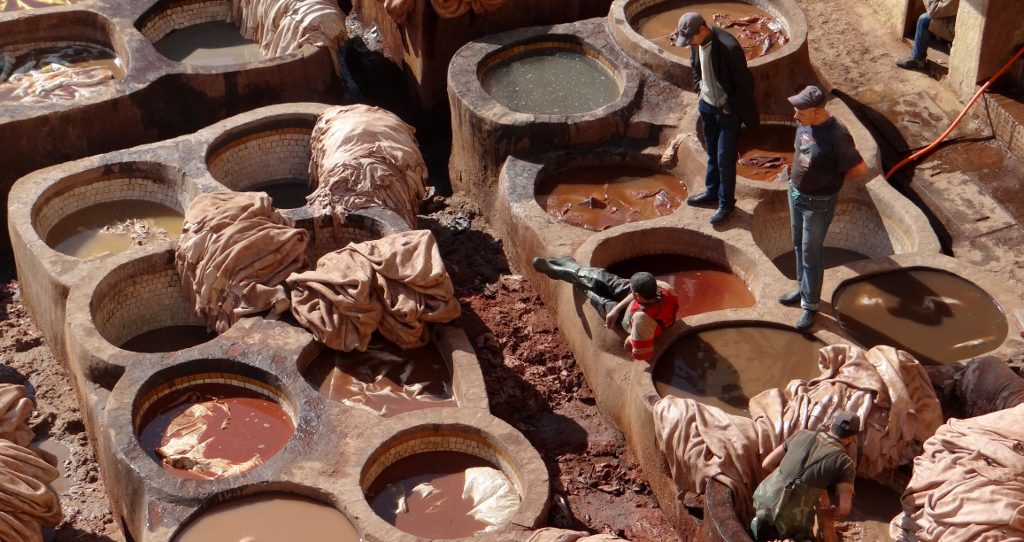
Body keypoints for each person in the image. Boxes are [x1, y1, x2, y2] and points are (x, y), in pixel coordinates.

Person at [778, 85, 868, 331]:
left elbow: (860, 170)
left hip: (818, 204)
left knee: (811, 254)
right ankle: (801, 287)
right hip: (795, 193)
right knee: (797, 244)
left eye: (801, 112)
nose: (795, 116)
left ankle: (810, 305)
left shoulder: (837, 135)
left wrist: (831, 178)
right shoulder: (805, 124)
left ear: (817, 112)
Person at [671, 12, 759, 225]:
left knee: (724, 159)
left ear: (703, 29)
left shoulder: (728, 47)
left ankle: (726, 204)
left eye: (691, 38)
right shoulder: (696, 42)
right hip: (707, 106)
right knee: (712, 152)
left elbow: (747, 84)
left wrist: (730, 106)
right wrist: (699, 89)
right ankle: (711, 193)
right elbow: (695, 67)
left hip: (727, 111)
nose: (690, 43)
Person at [532, 256, 678, 362]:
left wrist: (631, 340)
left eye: (632, 291)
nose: (631, 291)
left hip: (630, 318)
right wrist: (618, 308)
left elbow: (641, 354)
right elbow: (634, 294)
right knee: (608, 280)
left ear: (637, 295)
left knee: (599, 299)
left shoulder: (642, 320)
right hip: (638, 304)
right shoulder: (664, 288)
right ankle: (576, 270)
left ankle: (572, 276)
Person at [750, 411, 861, 541]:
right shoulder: (845, 463)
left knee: (761, 527)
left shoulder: (802, 434)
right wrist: (829, 514)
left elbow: (766, 464)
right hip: (793, 520)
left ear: (830, 426)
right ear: (851, 438)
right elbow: (844, 509)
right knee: (803, 535)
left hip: (763, 499)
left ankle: (758, 526)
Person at [895, 0, 960, 70]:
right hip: (949, 18)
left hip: (955, 28)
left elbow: (933, 11)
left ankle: (918, 59)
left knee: (924, 20)